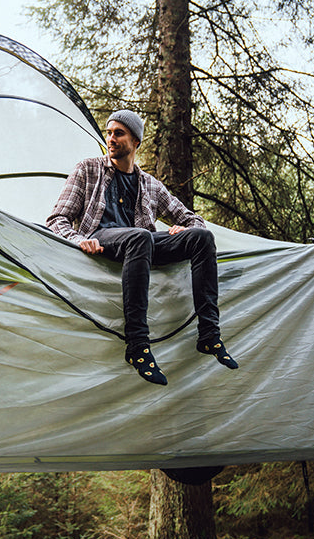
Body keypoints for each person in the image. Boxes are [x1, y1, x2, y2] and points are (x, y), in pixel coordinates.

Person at [46, 109, 238, 386]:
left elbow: (192, 218)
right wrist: (78, 239)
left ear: (135, 141)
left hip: (141, 244)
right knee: (141, 236)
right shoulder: (88, 168)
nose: (111, 139)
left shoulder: (149, 184)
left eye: (118, 133)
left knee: (201, 238)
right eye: (109, 133)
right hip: (102, 237)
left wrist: (187, 227)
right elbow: (57, 219)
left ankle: (209, 335)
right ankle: (137, 345)